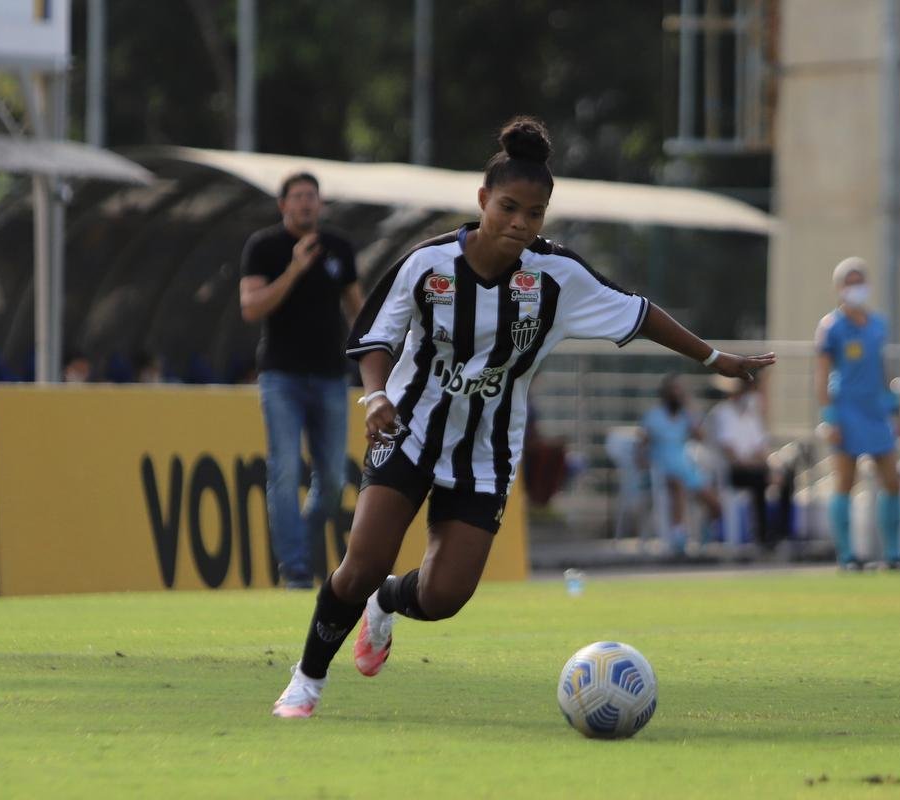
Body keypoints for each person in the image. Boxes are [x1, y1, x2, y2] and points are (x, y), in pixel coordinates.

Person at [271, 116, 775, 718]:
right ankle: (306, 681)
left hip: (486, 454)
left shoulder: (557, 277)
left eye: (533, 214)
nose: (519, 222)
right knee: (361, 563)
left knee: (444, 596)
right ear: (483, 200)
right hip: (407, 432)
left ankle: (388, 603)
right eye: (508, 207)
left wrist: (715, 357)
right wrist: (376, 397)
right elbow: (375, 336)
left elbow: (641, 314)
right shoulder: (427, 265)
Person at [240, 172, 365, 589]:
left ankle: (304, 546)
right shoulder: (264, 247)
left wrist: (375, 352)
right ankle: (294, 570)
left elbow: (357, 309)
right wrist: (294, 269)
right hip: (281, 377)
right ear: (283, 205)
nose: (305, 204)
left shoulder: (340, 247)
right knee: (284, 469)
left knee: (332, 479)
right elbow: (251, 307)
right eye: (297, 197)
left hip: (331, 376)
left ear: (321, 204)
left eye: (312, 197)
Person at [815, 257, 900, 571]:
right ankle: (847, 555)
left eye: (860, 281)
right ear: (839, 288)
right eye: (850, 282)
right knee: (846, 481)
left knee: (892, 480)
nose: (856, 287)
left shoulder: (877, 324)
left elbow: (884, 370)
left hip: (876, 411)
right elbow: (822, 376)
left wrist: (896, 409)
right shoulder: (831, 327)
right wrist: (829, 417)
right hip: (846, 410)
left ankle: (894, 553)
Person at [704, 372, 793, 551]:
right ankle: (761, 537)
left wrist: (772, 469)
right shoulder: (722, 414)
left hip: (755, 468)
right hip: (733, 471)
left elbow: (761, 449)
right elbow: (731, 455)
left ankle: (779, 535)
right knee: (760, 480)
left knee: (786, 478)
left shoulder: (751, 415)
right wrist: (761, 468)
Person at [639, 374, 722, 553]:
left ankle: (705, 536)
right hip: (662, 469)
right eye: (673, 390)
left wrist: (691, 410)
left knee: (715, 503)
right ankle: (678, 537)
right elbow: (642, 446)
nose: (677, 394)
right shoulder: (653, 417)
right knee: (678, 487)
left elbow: (701, 437)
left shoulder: (686, 415)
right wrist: (644, 465)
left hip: (686, 468)